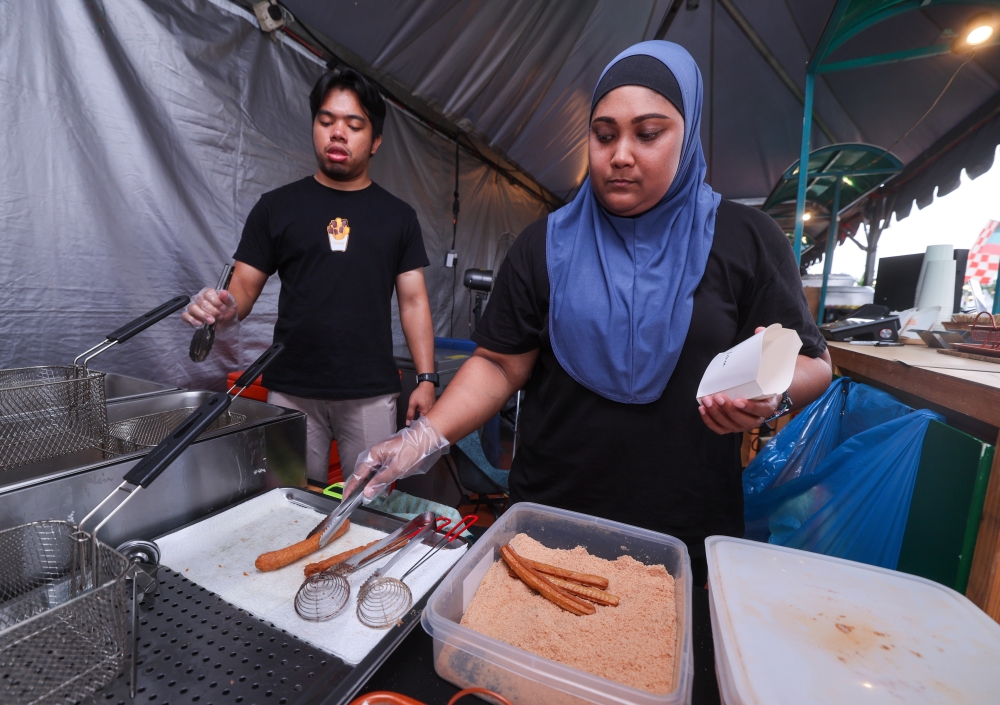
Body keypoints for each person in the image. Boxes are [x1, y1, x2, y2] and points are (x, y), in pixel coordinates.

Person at [346, 42, 833, 583]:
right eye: (604, 135)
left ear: (688, 133)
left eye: (647, 134)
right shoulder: (544, 244)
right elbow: (501, 364)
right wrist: (423, 438)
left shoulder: (745, 240)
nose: (620, 154)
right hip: (549, 523)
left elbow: (814, 362)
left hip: (680, 532)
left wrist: (774, 398)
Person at [183, 69, 438, 484]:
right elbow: (244, 286)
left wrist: (426, 379)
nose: (338, 133)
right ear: (314, 128)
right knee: (287, 501)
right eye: (326, 121)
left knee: (367, 499)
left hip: (369, 390)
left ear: (374, 141)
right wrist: (224, 306)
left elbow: (414, 301)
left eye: (354, 125)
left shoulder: (398, 217)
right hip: (291, 386)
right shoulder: (276, 207)